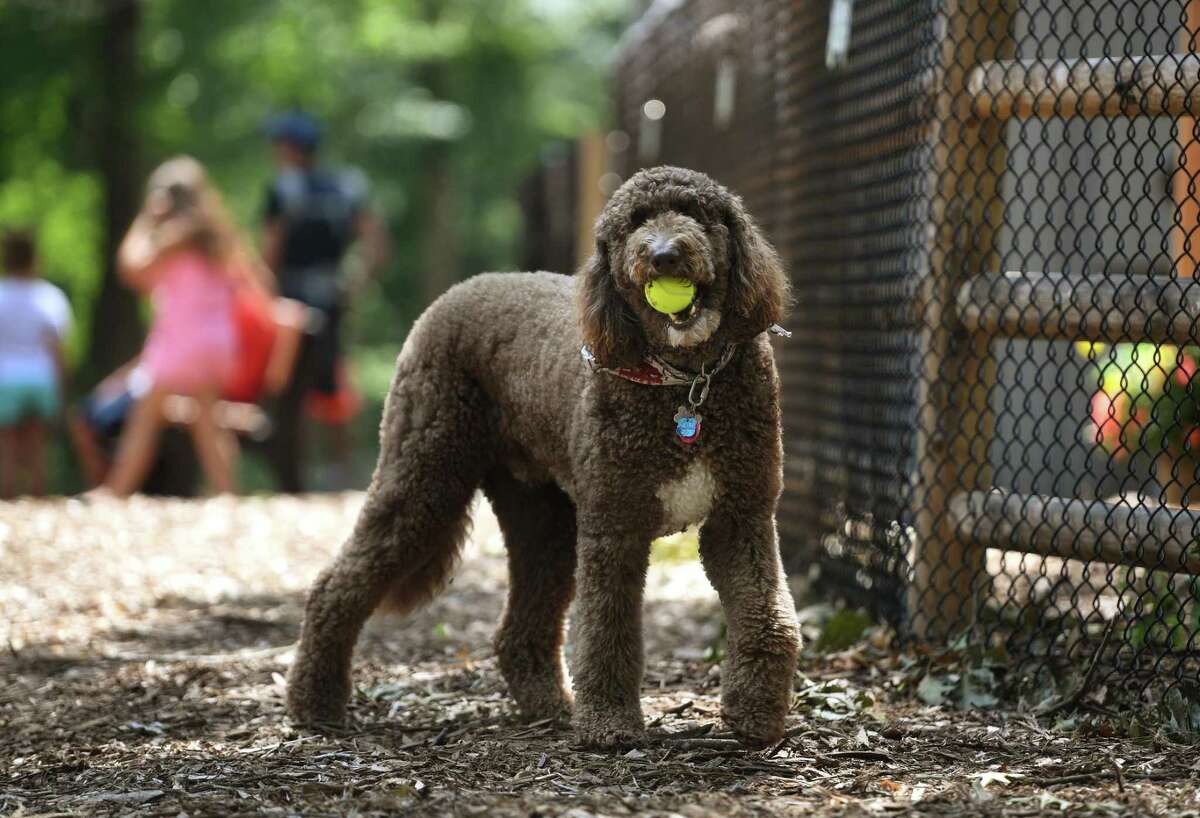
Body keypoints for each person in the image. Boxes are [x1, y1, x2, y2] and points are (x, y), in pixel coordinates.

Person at [91, 156, 269, 497]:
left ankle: (117, 490)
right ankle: (226, 491)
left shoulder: (174, 237)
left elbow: (130, 267)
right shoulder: (221, 238)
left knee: (145, 414)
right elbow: (258, 285)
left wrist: (145, 218)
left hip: (180, 341)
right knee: (207, 419)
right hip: (217, 342)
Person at [261, 110, 389, 491]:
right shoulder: (346, 187)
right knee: (332, 375)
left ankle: (295, 473)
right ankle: (341, 469)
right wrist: (356, 280)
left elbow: (270, 251)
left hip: (290, 301)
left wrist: (264, 298)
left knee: (288, 384)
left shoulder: (283, 191)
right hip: (332, 296)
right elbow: (377, 242)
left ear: (289, 147)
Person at [0, 231, 71, 497]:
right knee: (36, 443)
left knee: (6, 443)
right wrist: (63, 389)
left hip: (5, 376)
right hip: (40, 376)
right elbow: (57, 348)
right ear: (35, 259)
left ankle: (6, 497)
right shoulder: (49, 297)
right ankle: (39, 497)